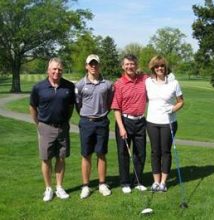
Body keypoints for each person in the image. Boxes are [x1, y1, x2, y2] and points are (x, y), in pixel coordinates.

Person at [29, 58, 75, 202]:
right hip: (45, 127)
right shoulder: (38, 87)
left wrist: (65, 121)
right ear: (48, 70)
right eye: (54, 69)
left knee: (61, 157)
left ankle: (59, 187)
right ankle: (48, 188)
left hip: (62, 127)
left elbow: (70, 107)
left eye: (59, 69)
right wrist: (38, 124)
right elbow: (32, 107)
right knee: (46, 158)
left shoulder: (69, 86)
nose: (57, 71)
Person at [75, 54, 113, 199]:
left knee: (101, 153)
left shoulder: (107, 84)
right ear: (86, 66)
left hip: (102, 122)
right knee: (86, 154)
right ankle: (85, 186)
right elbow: (78, 105)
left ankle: (102, 183)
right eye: (90, 64)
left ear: (99, 65)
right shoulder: (80, 84)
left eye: (95, 64)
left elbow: (109, 102)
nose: (93, 66)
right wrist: (86, 115)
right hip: (86, 122)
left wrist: (103, 113)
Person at [145, 55, 184, 192]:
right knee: (155, 152)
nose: (159, 68)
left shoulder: (174, 83)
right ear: (153, 68)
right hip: (151, 122)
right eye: (156, 66)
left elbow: (181, 102)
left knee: (165, 152)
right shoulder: (148, 82)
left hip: (168, 122)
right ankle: (156, 182)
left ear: (165, 67)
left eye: (162, 66)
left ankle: (163, 182)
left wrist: (173, 108)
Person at [111, 54, 148, 193]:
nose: (129, 66)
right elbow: (116, 108)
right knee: (124, 153)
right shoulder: (119, 83)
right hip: (124, 121)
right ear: (123, 66)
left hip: (140, 121)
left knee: (140, 153)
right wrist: (121, 127)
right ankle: (125, 182)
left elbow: (159, 74)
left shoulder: (144, 79)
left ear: (136, 65)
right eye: (127, 64)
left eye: (132, 64)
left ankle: (138, 181)